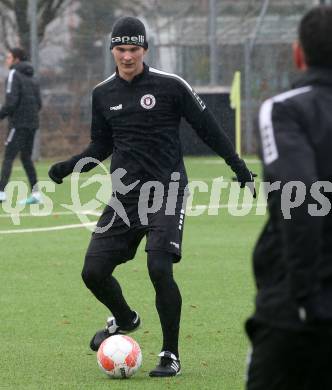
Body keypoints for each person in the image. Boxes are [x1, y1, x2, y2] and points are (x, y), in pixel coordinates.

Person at [48, 16, 255, 377]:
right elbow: (103, 144)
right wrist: (70, 166)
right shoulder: (103, 94)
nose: (127, 56)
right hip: (126, 197)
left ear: (145, 49)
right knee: (93, 271)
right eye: (121, 49)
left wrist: (238, 166)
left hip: (167, 190)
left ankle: (170, 354)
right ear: (112, 50)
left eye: (134, 49)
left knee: (159, 267)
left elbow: (208, 129)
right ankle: (126, 319)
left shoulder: (170, 86)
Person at [246, 5, 332, 390]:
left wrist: (303, 297)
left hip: (299, 312)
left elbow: (301, 201)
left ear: (299, 53)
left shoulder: (284, 110)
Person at [0, 47, 42, 204]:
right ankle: (36, 195)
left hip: (18, 124)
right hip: (32, 123)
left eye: (9, 57)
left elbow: (11, 102)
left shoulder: (13, 74)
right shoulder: (32, 77)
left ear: (16, 59)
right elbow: (39, 103)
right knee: (26, 158)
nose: (7, 60)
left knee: (8, 157)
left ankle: (1, 193)